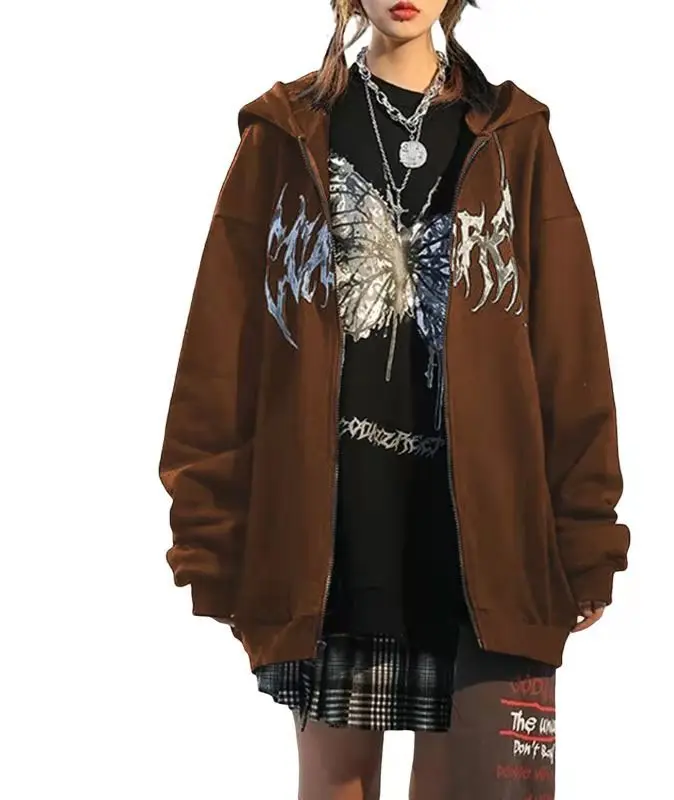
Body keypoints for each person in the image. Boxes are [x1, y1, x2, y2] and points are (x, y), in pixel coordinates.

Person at [157, 0, 631, 797]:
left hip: (489, 553)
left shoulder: (514, 138)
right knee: (334, 786)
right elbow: (220, 348)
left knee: (493, 788)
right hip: (334, 549)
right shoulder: (286, 135)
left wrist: (586, 534)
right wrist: (210, 538)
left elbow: (569, 348)